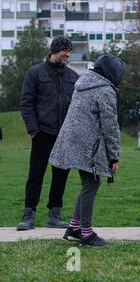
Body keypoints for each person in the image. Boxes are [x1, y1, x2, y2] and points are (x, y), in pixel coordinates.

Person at [49, 54, 126, 246]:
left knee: (88, 184)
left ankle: (75, 227)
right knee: (91, 185)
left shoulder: (82, 83)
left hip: (70, 140)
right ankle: (86, 233)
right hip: (87, 144)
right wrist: (114, 155)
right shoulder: (105, 90)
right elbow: (110, 125)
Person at [18, 36, 79, 231]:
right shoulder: (34, 73)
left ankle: (55, 214)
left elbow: (77, 106)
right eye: (65, 51)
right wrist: (33, 129)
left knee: (60, 175)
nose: (68, 54)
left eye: (70, 51)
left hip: (65, 134)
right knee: (36, 174)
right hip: (42, 132)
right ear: (54, 50)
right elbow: (26, 103)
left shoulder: (73, 77)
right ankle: (28, 215)